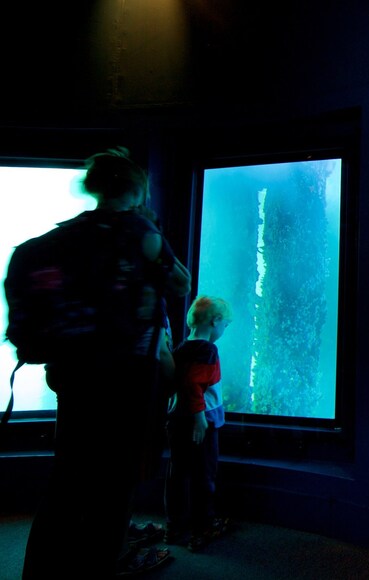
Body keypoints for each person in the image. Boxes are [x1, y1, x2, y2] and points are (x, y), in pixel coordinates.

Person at [21, 147, 190, 578]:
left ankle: (40, 571)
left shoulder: (63, 237)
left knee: (66, 477)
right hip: (126, 379)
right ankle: (99, 565)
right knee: (114, 485)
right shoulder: (139, 230)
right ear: (135, 187)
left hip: (73, 375)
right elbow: (180, 281)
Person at [164, 295, 233, 552]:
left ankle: (175, 525)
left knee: (178, 473)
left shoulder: (182, 348)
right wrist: (200, 419)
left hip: (176, 420)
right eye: (225, 324)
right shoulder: (207, 350)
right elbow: (194, 384)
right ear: (215, 321)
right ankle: (204, 525)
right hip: (200, 423)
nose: (224, 329)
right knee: (204, 473)